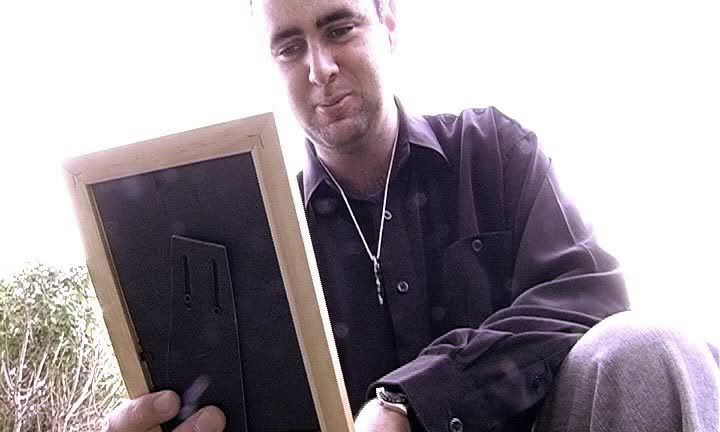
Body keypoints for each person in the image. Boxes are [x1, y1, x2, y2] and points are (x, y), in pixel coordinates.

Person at [105, 0, 720, 431]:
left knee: (648, 346)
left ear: (389, 23)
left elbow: (588, 294)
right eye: (290, 47)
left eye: (339, 28)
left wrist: (411, 401)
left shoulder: (492, 152)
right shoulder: (264, 241)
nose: (319, 68)